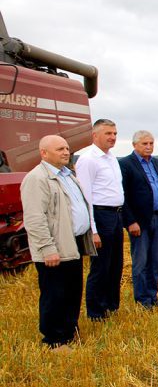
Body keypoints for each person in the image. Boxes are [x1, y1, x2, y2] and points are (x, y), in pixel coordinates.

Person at [20, 135, 96, 348]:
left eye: (67, 148)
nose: (65, 152)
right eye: (60, 149)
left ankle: (69, 333)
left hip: (73, 243)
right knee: (55, 294)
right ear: (44, 153)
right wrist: (47, 248)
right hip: (54, 247)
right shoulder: (37, 179)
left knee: (72, 292)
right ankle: (54, 340)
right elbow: (35, 219)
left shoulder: (67, 175)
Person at [119, 131, 158, 308]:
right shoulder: (125, 164)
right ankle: (143, 300)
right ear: (134, 145)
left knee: (154, 261)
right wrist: (130, 221)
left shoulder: (156, 163)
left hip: (157, 218)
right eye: (145, 144)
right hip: (139, 221)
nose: (149, 147)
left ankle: (153, 296)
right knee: (141, 262)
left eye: (151, 143)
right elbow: (123, 196)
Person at [74, 118, 124, 321]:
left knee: (115, 264)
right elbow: (86, 196)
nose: (112, 137)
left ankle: (111, 306)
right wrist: (93, 230)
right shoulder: (88, 160)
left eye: (114, 134)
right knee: (101, 266)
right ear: (95, 136)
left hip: (116, 215)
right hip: (101, 215)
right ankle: (96, 311)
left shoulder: (112, 158)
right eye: (108, 134)